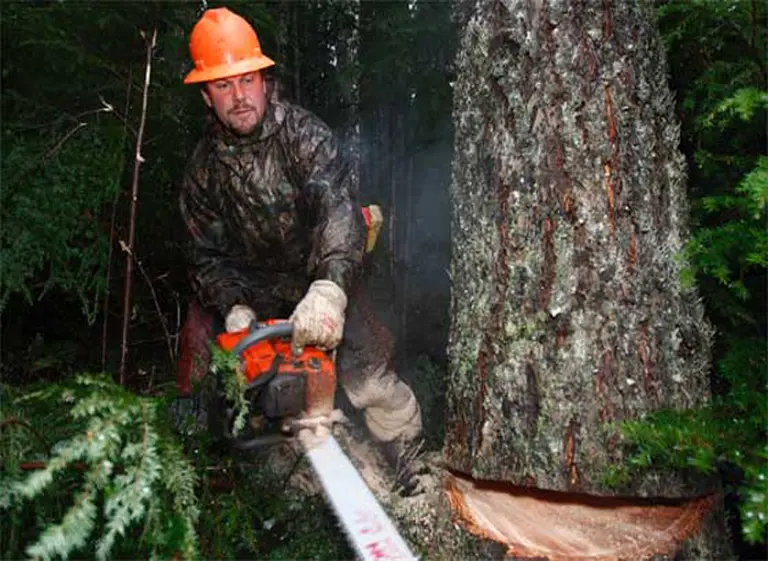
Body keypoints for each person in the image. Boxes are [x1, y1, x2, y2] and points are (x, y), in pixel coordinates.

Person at [175, 7, 423, 474]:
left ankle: (410, 459)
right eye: (223, 86)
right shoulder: (202, 172)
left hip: (322, 271)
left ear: (264, 81)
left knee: (370, 380)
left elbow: (338, 209)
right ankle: (232, 469)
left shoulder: (303, 137)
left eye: (246, 80)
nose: (239, 97)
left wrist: (330, 289)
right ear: (206, 96)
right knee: (223, 371)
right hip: (254, 290)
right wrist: (233, 306)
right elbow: (204, 255)